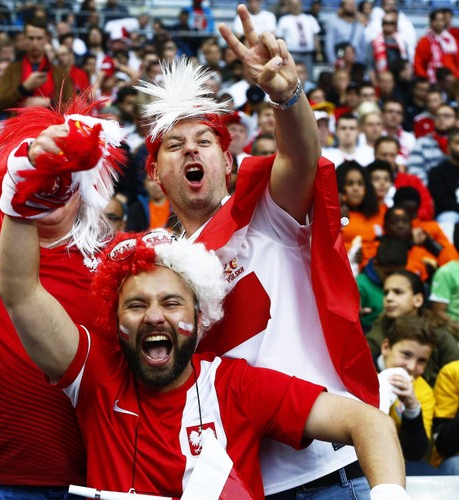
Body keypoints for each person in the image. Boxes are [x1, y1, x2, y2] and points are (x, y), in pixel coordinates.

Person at [136, 6, 381, 497]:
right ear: (154, 174)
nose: (191, 151)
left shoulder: (265, 208)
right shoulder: (151, 266)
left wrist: (286, 96)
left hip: (324, 473)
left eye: (204, 141)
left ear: (227, 160)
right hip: (237, 482)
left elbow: (301, 158)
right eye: (174, 145)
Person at [0, 220, 405, 498]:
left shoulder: (235, 386)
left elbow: (367, 421)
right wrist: (19, 203)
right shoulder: (96, 375)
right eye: (136, 305)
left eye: (171, 302)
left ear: (199, 314)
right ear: (114, 318)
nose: (155, 316)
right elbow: (19, 291)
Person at [0, 100, 122, 499]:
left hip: (97, 476)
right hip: (1, 478)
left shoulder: (119, 261)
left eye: (63, 176)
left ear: (84, 189)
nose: (51, 186)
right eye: (40, 173)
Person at [367, 269, 459, 386]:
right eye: (386, 292)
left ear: (418, 300)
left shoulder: (440, 335)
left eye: (398, 292)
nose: (389, 298)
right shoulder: (376, 334)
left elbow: (456, 375)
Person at [377, 316, 438, 473]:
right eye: (406, 354)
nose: (411, 367)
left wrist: (412, 409)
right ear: (386, 347)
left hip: (399, 463)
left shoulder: (422, 390)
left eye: (421, 361)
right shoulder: (361, 371)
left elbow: (415, 453)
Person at [0, 17, 72, 114]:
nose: (35, 43)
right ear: (24, 39)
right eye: (31, 38)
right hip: (19, 126)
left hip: (51, 127)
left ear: (46, 38)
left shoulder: (60, 73)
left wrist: (49, 102)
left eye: (39, 38)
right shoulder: (12, 70)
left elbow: (72, 107)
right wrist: (24, 88)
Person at [414, 9, 459, 84]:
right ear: (431, 22)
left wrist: (456, 77)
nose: (439, 23)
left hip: (451, 79)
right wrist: (425, 78)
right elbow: (418, 63)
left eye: (441, 20)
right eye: (436, 20)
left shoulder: (452, 41)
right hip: (430, 79)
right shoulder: (424, 41)